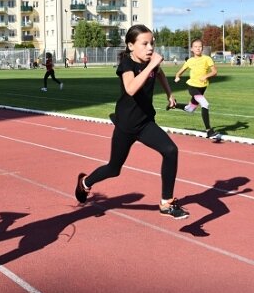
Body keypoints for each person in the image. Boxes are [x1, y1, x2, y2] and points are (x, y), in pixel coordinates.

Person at [74, 25, 188, 219]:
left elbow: (159, 74)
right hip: (126, 125)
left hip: (145, 123)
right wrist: (152, 65)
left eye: (152, 43)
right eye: (144, 44)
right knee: (114, 169)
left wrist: (170, 94)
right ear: (130, 46)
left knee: (170, 151)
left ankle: (166, 202)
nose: (150, 48)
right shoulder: (127, 64)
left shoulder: (152, 62)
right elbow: (131, 89)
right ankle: (85, 183)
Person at [172, 39, 221, 139]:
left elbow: (215, 72)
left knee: (190, 109)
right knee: (205, 104)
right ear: (191, 49)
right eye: (195, 46)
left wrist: (206, 76)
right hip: (192, 87)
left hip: (202, 87)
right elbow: (179, 72)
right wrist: (177, 77)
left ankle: (173, 105)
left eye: (200, 46)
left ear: (202, 48)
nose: (198, 48)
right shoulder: (190, 61)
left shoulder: (207, 59)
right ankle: (209, 131)